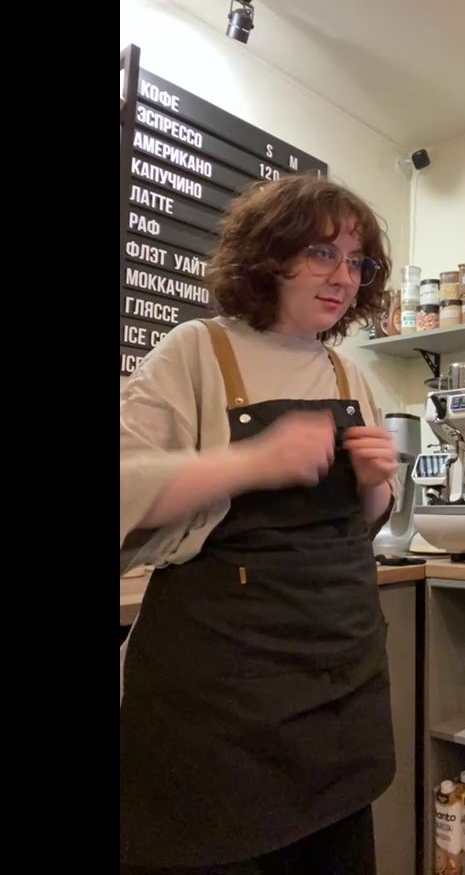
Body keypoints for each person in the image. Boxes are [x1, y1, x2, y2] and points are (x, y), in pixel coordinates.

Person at [120, 175, 400, 875]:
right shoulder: (197, 350)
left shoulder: (347, 374)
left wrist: (374, 484)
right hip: (223, 700)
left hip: (340, 685)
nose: (343, 277)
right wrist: (251, 462)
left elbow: (360, 525)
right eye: (321, 253)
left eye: (357, 261)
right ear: (269, 254)